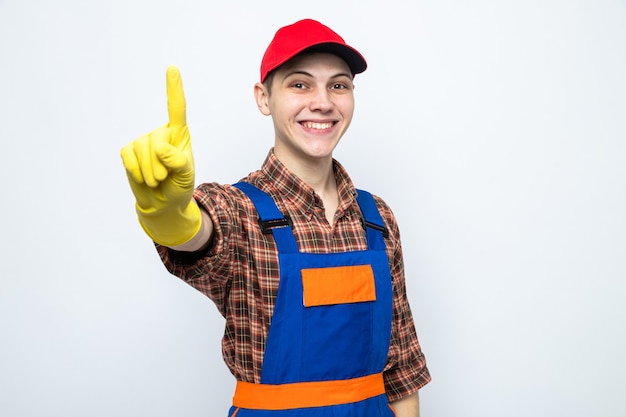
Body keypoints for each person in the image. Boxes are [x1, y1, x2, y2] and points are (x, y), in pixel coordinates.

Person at [121, 18, 430, 417]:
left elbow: (402, 370)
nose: (323, 101)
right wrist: (166, 211)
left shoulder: (376, 217)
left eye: (338, 85)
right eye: (299, 84)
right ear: (263, 97)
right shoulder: (241, 211)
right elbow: (198, 233)